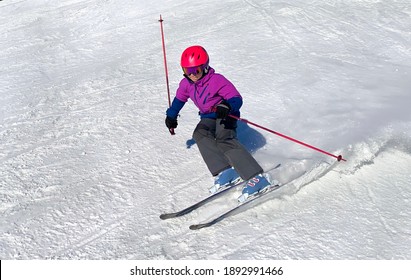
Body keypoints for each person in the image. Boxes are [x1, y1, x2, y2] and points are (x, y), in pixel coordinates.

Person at [165, 45, 271, 202]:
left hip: (226, 114)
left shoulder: (217, 80)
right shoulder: (186, 84)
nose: (193, 75)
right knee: (200, 134)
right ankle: (225, 171)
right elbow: (179, 99)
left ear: (205, 67)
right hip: (208, 116)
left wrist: (227, 106)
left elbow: (236, 98)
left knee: (224, 139)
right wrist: (171, 116)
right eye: (188, 71)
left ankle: (257, 178)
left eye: (197, 71)